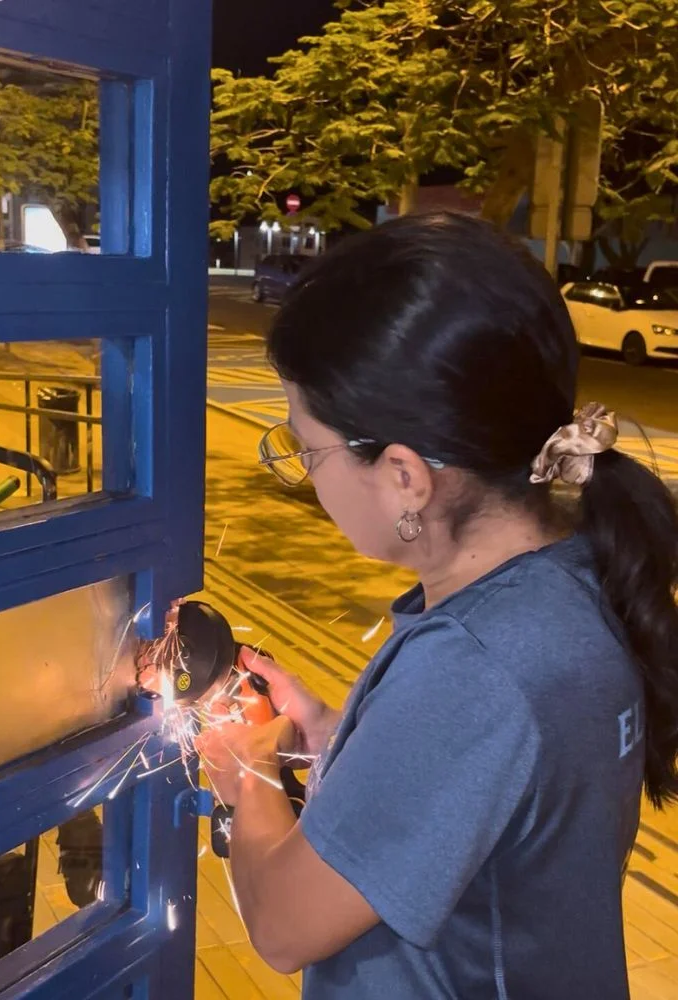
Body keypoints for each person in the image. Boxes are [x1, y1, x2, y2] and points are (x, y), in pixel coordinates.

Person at [195, 212, 678, 999]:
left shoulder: (477, 667)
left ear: (406, 478)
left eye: (306, 449)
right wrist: (335, 740)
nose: (304, 474)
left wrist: (243, 775)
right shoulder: (571, 576)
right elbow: (479, 796)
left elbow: (284, 925)